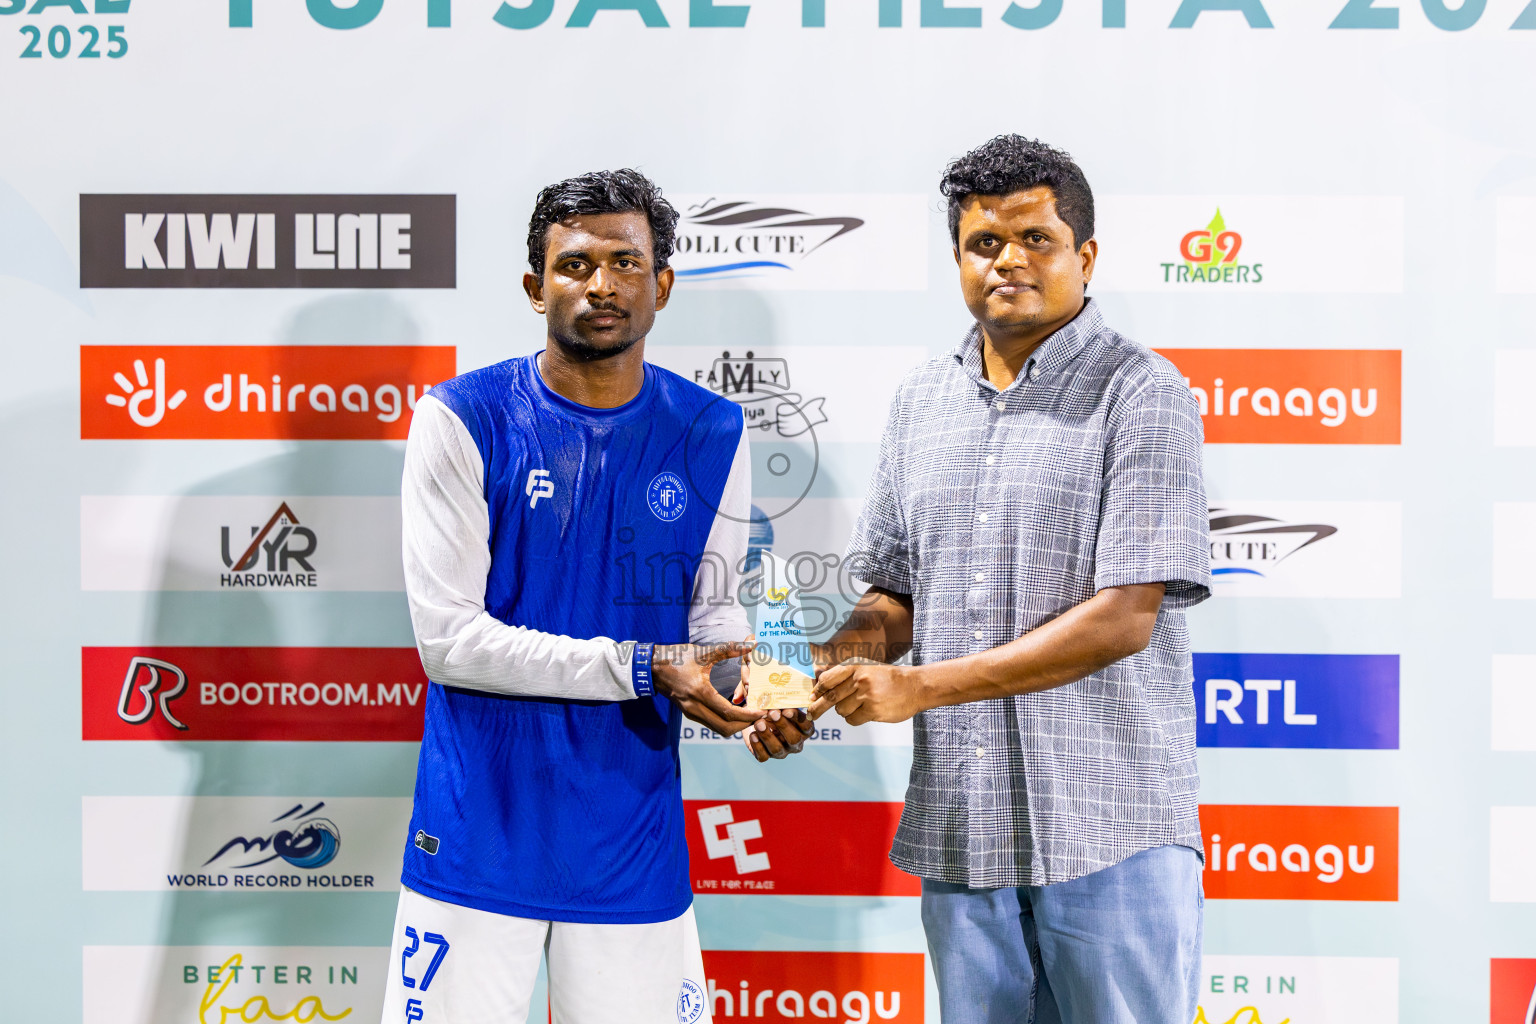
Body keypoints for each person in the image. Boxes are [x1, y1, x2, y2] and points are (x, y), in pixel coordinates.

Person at [381, 168, 812, 1024]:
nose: (602, 284)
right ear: (536, 285)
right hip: (477, 834)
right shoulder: (461, 417)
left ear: (662, 285)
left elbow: (715, 618)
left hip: (629, 841)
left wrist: (750, 696)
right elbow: (449, 642)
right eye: (576, 264)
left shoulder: (713, 429)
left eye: (625, 262)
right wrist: (648, 667)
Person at [805, 136, 1211, 1024]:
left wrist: (914, 687)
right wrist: (816, 671)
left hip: (1111, 832)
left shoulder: (1143, 393)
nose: (1010, 261)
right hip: (966, 829)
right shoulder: (920, 401)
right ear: (957, 259)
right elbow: (896, 596)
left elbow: (1125, 619)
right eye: (985, 243)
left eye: (1037, 238)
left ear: (1085, 255)